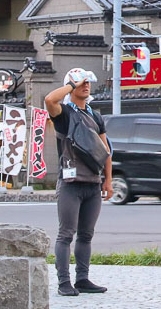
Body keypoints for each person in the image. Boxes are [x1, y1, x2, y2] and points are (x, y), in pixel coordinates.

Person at [46, 67, 113, 296]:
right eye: (81, 83)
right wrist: (71, 84)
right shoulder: (63, 114)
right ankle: (64, 283)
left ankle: (82, 279)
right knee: (66, 234)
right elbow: (48, 99)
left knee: (86, 234)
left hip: (93, 183)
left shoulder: (95, 115)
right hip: (70, 183)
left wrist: (108, 181)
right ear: (72, 86)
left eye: (88, 82)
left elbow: (106, 150)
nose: (86, 85)